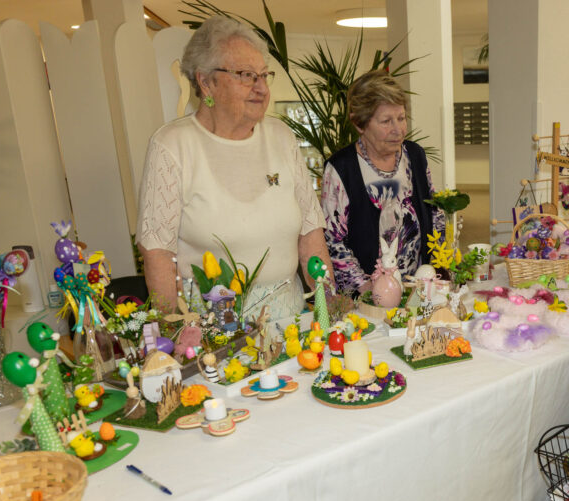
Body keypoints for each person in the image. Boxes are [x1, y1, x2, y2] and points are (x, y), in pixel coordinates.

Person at [136, 15, 332, 320]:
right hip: (213, 327)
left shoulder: (281, 137)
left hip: (290, 318)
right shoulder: (172, 145)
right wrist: (175, 330)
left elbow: (311, 235)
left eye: (264, 75)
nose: (261, 88)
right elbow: (157, 253)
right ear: (206, 82)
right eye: (246, 75)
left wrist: (329, 308)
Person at [321, 69, 444, 297]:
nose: (398, 130)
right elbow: (333, 242)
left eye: (401, 118)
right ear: (359, 123)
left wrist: (439, 268)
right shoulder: (341, 168)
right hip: (368, 298)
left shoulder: (415, 156)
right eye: (386, 121)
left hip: (419, 291)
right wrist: (369, 291)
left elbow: (435, 214)